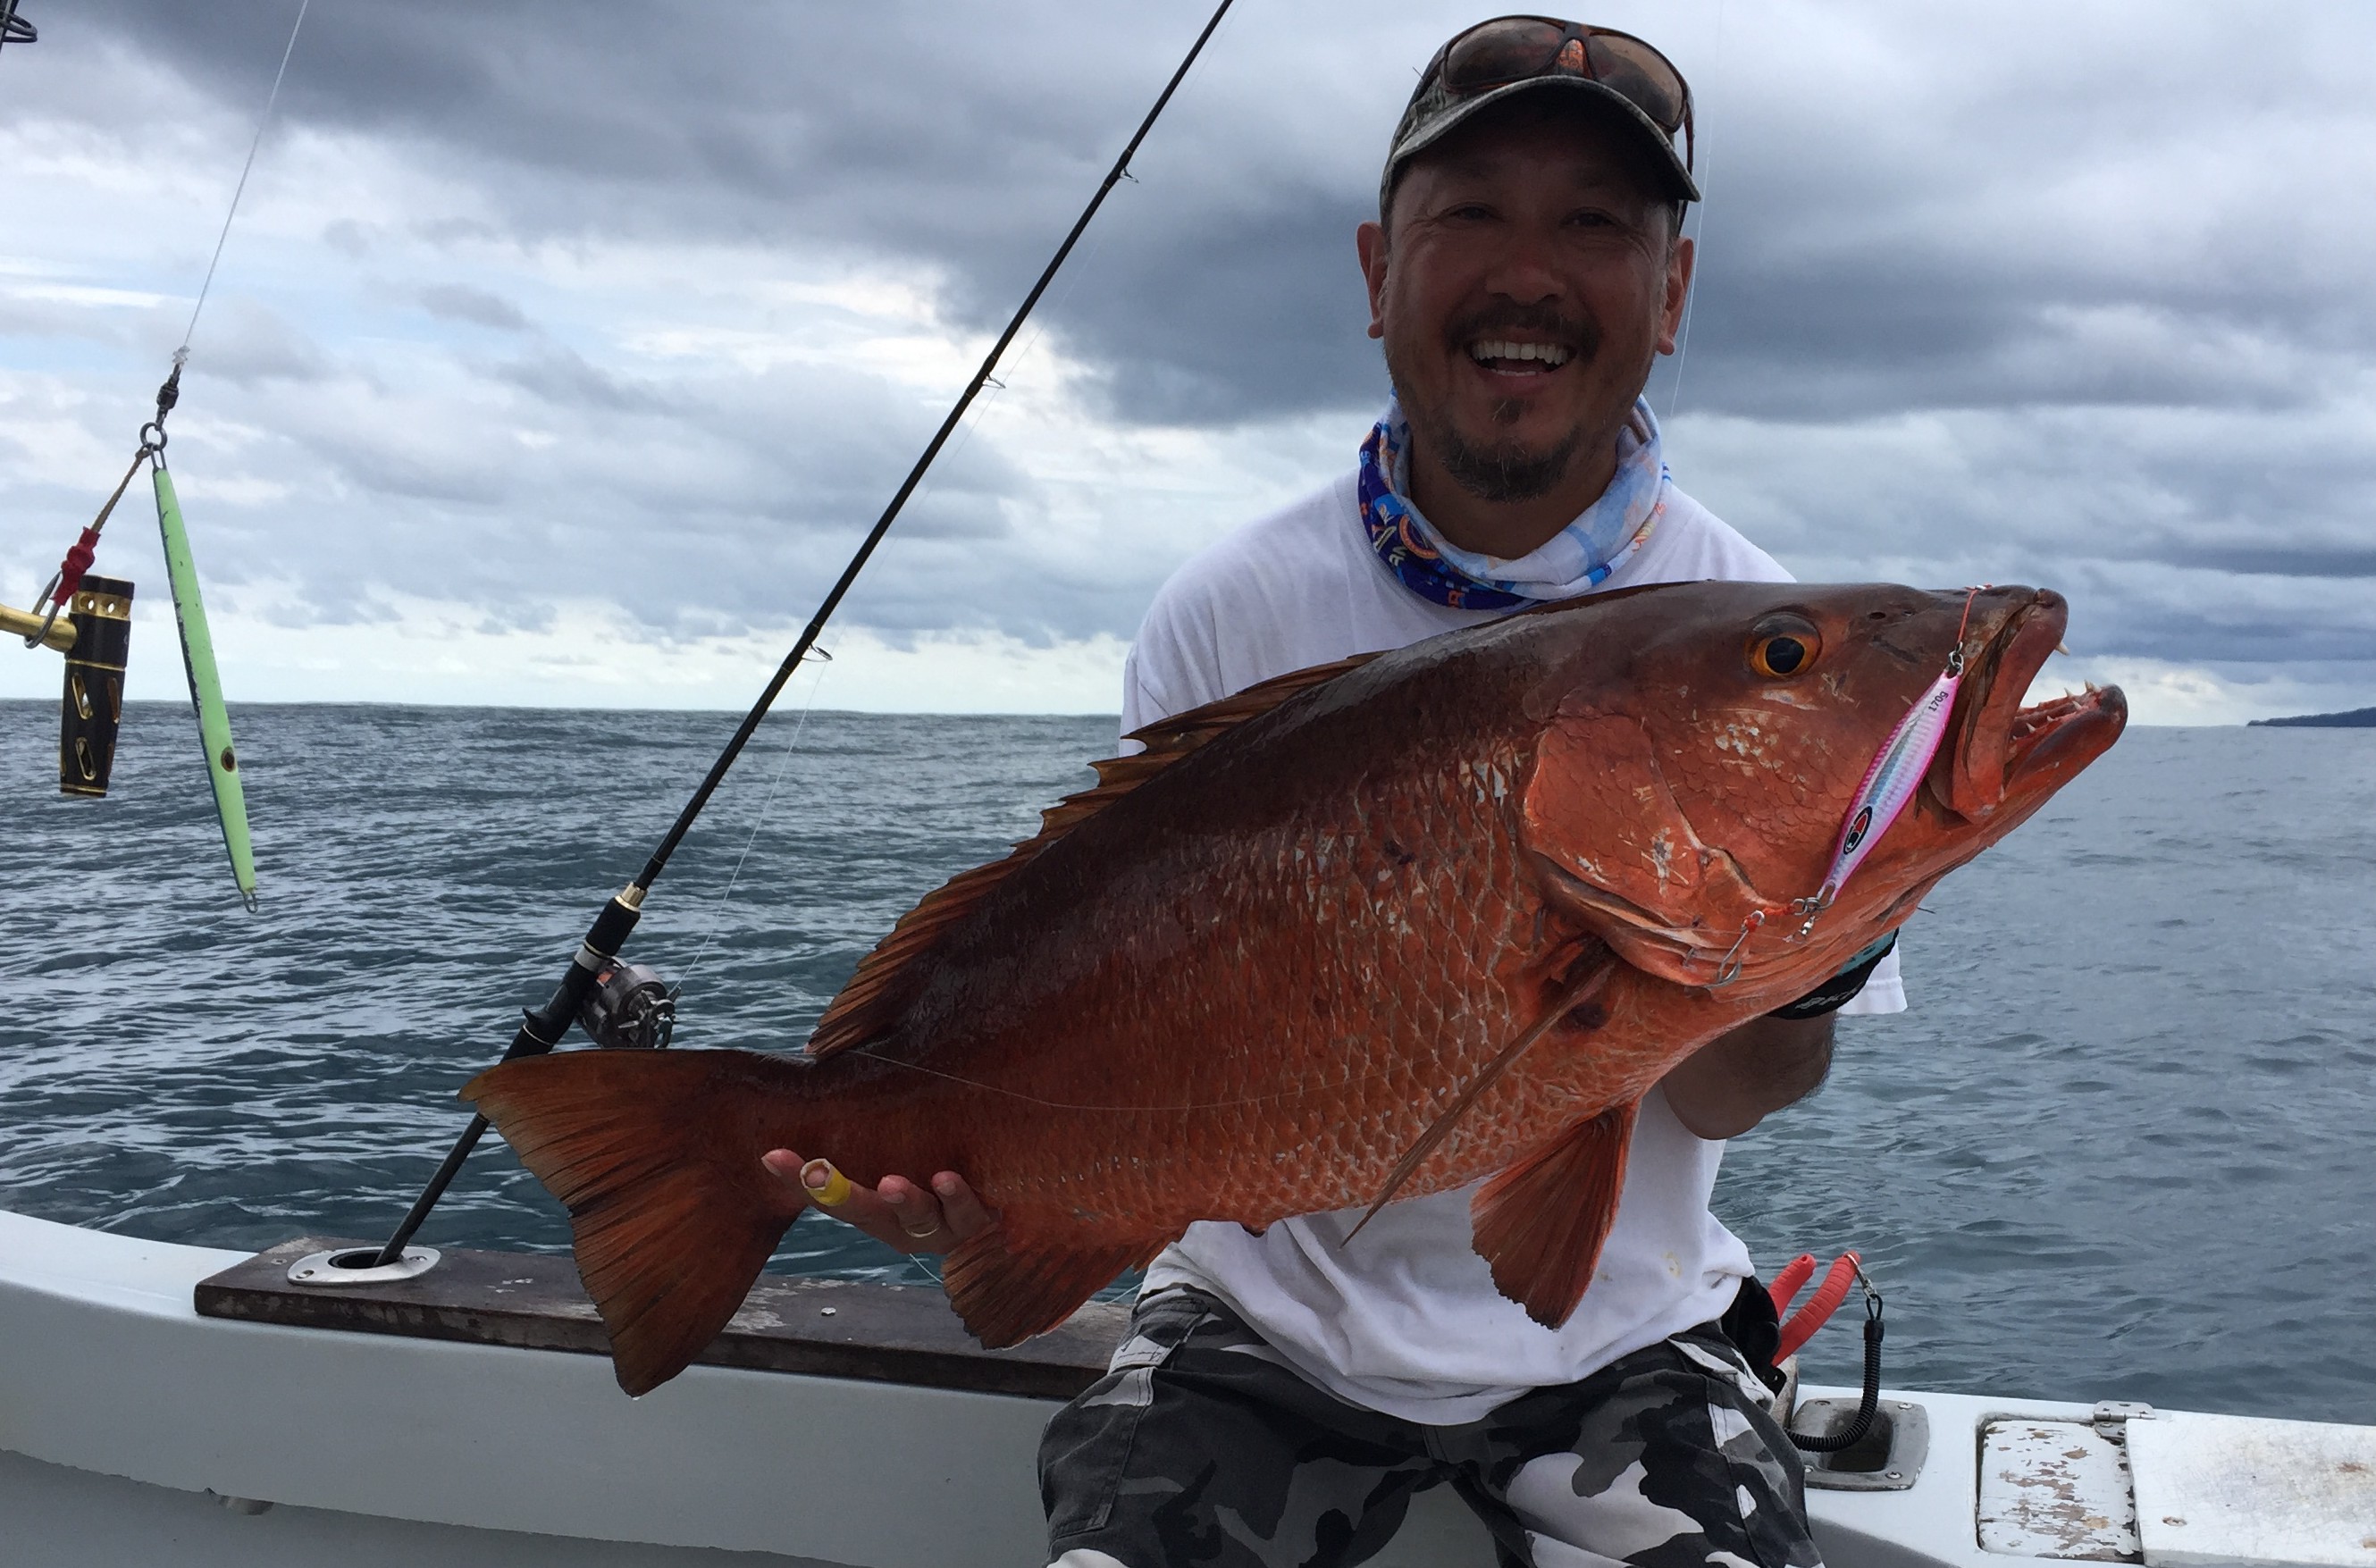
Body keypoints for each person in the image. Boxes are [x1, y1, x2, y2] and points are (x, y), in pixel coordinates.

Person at [761, 17, 1902, 1567]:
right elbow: (1110, 992)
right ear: (1378, 273)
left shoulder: (1771, 629)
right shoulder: (1228, 611)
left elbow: (1721, 1094)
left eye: (1594, 225)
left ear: (1673, 293)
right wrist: (973, 1178)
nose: (1529, 273)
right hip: (1257, 1324)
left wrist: (1821, 948)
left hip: (1624, 1338)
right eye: (1471, 215)